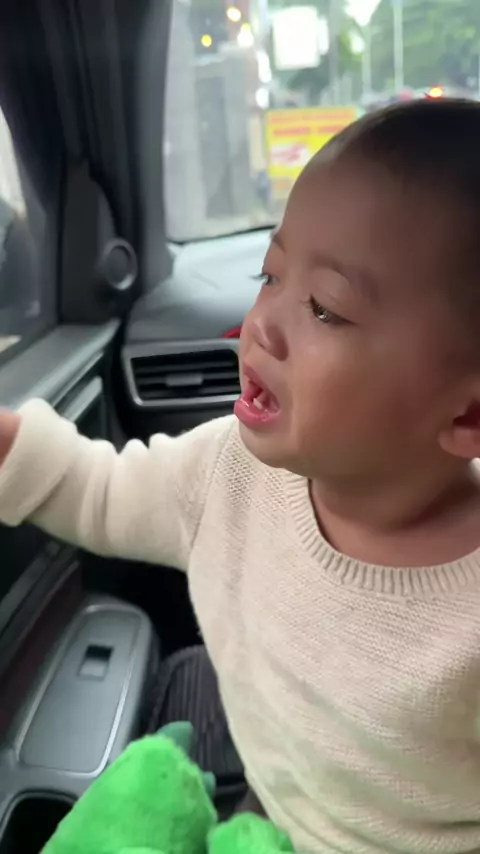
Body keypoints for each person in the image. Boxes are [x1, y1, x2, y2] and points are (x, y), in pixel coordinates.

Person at [2, 98, 480, 853]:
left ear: (469, 413)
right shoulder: (226, 472)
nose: (260, 324)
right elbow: (97, 491)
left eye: (324, 309)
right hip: (266, 816)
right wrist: (11, 447)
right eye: (270, 275)